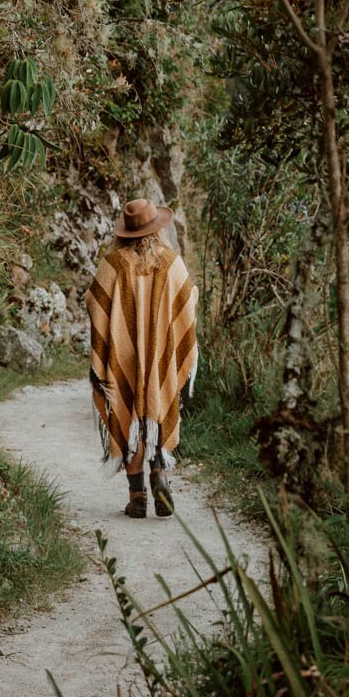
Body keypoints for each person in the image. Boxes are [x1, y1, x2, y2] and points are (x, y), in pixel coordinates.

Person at [86, 198, 198, 518]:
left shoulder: (113, 264)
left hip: (124, 353)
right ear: (157, 230)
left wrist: (117, 332)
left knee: (124, 406)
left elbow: (95, 302)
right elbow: (188, 301)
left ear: (125, 233)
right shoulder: (172, 263)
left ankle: (137, 497)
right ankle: (159, 471)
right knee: (157, 401)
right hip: (161, 353)